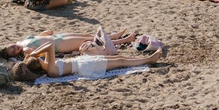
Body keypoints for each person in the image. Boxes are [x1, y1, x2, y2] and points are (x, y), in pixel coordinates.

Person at [11, 41, 162, 81]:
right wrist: (36, 52)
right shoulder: (50, 68)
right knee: (120, 61)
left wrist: (34, 55)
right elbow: (49, 46)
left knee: (118, 58)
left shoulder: (46, 65)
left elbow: (47, 47)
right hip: (87, 65)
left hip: (83, 61)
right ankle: (149, 59)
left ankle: (147, 59)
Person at [0, 29, 137, 59]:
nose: (15, 48)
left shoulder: (22, 41)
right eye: (14, 51)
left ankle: (114, 36)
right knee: (89, 41)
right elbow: (41, 52)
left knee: (88, 35)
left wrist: (45, 33)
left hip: (58, 37)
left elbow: (39, 37)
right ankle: (123, 40)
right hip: (60, 44)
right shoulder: (26, 49)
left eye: (12, 46)